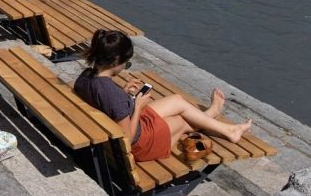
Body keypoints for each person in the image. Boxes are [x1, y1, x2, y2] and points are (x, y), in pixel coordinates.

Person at [74, 29, 252, 162]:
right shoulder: (114, 97)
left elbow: (107, 101)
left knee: (177, 101)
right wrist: (137, 107)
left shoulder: (86, 78)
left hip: (121, 123)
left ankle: (211, 118)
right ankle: (226, 129)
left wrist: (125, 93)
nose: (124, 68)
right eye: (125, 64)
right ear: (115, 61)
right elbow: (127, 138)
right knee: (182, 122)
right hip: (139, 144)